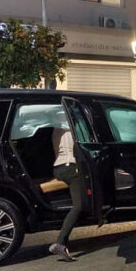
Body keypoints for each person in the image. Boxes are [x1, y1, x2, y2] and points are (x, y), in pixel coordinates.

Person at [48, 112, 86, 262]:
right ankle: (61, 242)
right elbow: (78, 150)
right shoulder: (71, 130)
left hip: (58, 167)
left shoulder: (55, 129)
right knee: (79, 205)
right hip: (71, 167)